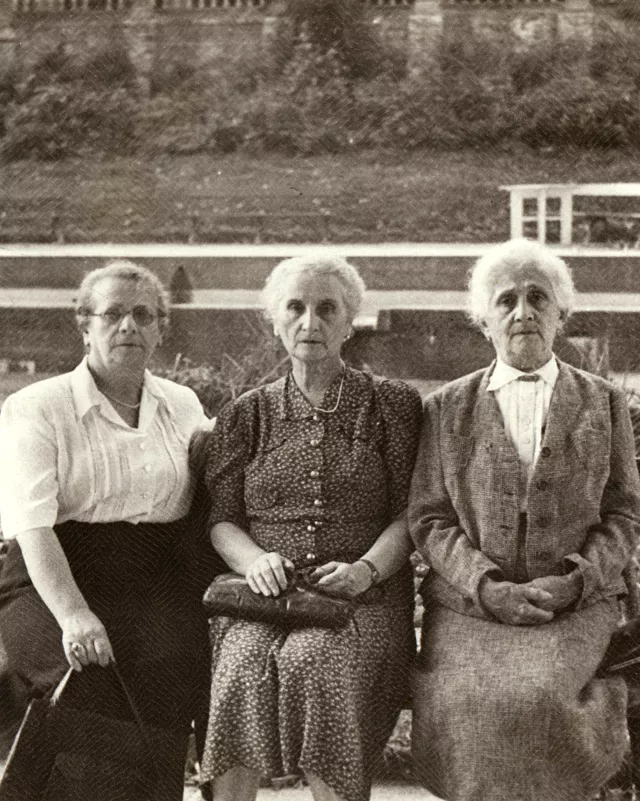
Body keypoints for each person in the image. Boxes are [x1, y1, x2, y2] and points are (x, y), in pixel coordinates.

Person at [408, 237, 640, 801]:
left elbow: (624, 514)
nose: (522, 311)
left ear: (561, 314)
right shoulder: (445, 407)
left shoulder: (605, 403)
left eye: (538, 297)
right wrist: (486, 587)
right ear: (482, 319)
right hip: (471, 608)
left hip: (575, 604)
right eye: (506, 300)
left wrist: (575, 582)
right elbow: (431, 519)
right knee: (468, 702)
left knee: (536, 699)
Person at [199, 255, 423, 801]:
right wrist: (255, 561)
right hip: (262, 598)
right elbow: (222, 519)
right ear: (274, 320)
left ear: (350, 322)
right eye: (295, 308)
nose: (310, 323)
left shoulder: (392, 405)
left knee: (313, 658)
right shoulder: (245, 415)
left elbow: (410, 514)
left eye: (327, 309)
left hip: (364, 599)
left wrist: (366, 572)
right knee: (243, 660)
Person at [0, 260, 218, 799]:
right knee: (91, 679)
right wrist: (75, 616)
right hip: (50, 578)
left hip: (153, 580)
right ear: (85, 325)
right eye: (113, 314)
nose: (129, 327)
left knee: (173, 667)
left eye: (144, 315)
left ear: (162, 328)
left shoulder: (182, 404)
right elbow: (33, 526)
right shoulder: (38, 407)